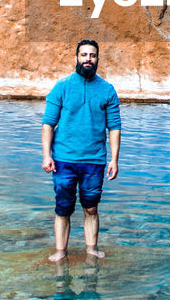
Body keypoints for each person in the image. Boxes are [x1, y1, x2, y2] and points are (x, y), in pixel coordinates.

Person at [41, 39, 121, 261]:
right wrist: (46, 155)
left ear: (97, 59)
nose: (88, 59)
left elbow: (114, 127)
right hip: (64, 159)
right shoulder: (62, 87)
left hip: (94, 161)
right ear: (76, 57)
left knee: (91, 208)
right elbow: (48, 124)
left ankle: (91, 250)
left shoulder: (107, 90)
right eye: (84, 55)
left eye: (92, 55)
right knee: (63, 209)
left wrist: (114, 160)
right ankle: (60, 252)